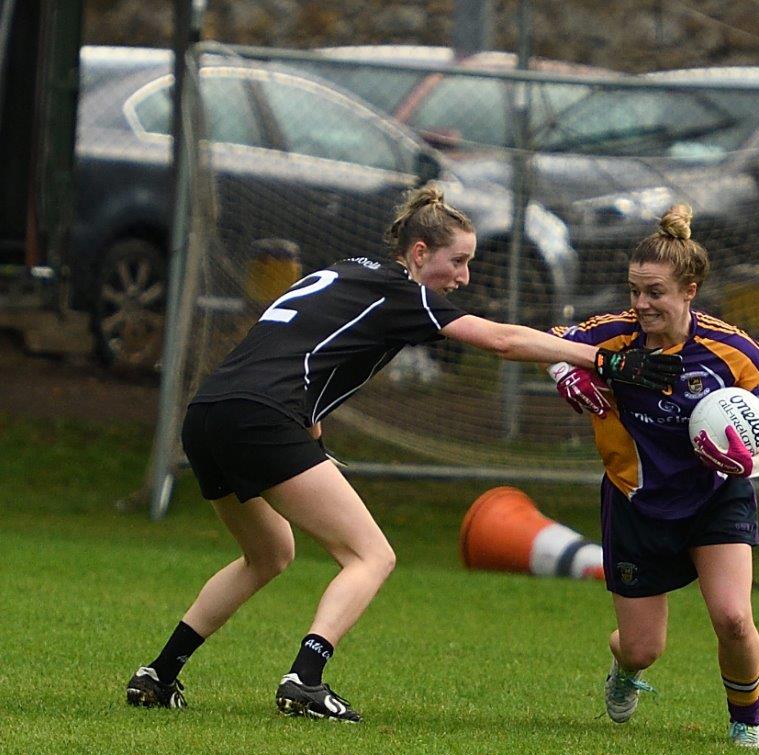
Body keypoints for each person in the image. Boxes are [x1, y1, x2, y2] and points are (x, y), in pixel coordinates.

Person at [124, 183, 683, 722]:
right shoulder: (400, 291)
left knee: (269, 553)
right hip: (261, 418)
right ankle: (306, 680)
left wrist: (311, 438)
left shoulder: (337, 272)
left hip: (208, 414)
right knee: (372, 555)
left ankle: (159, 672)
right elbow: (502, 340)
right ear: (419, 253)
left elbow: (298, 357)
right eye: (457, 262)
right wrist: (608, 362)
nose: (463, 278)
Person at [546, 204, 759, 749]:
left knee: (733, 617)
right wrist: (567, 372)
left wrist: (752, 463)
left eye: (654, 292)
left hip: (715, 497)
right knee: (641, 648)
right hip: (637, 501)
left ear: (689, 290)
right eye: (635, 290)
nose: (641, 304)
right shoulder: (613, 336)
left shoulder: (732, 350)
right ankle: (625, 672)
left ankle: (746, 724)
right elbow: (550, 341)